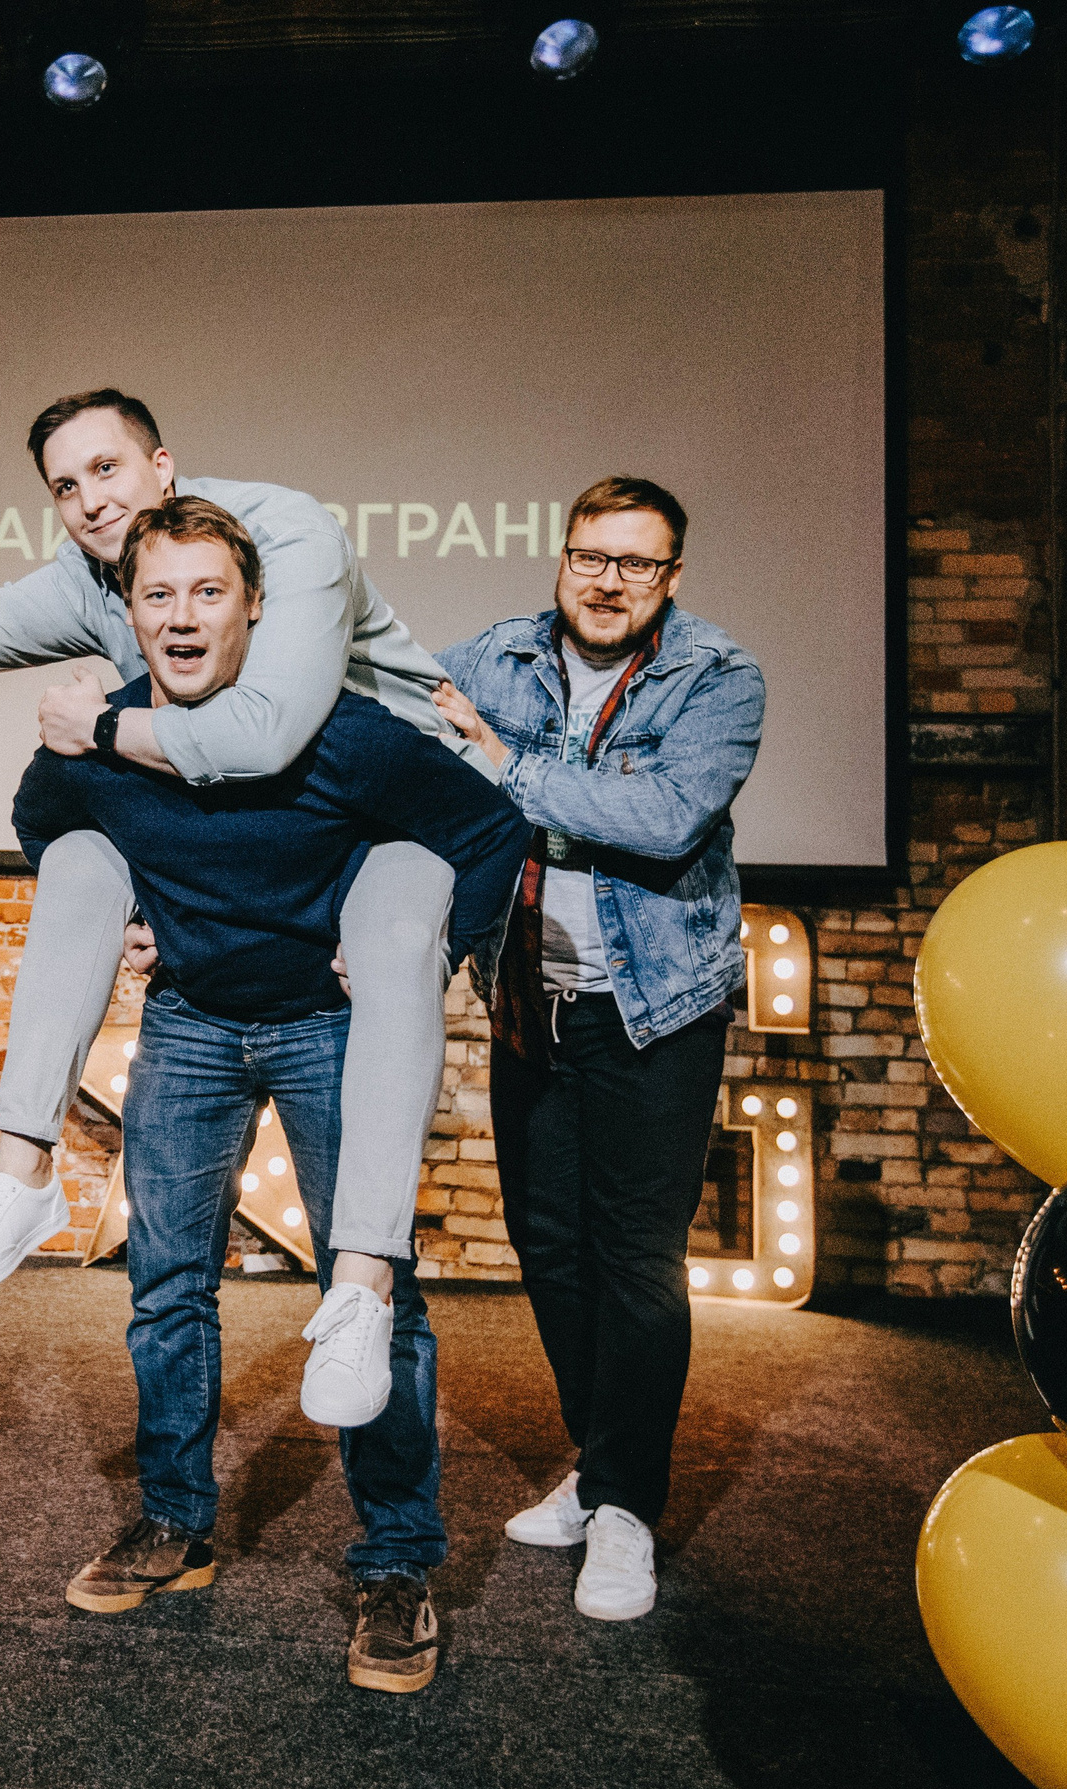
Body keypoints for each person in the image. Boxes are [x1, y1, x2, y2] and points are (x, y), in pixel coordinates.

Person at [0, 389, 465, 1424]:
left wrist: (102, 725)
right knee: (79, 860)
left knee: (374, 1265)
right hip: (232, 911)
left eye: (106, 469)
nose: (88, 500)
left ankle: (368, 1315)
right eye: (64, 486)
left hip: (386, 821)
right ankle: (21, 1169)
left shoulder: (285, 535)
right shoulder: (97, 574)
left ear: (163, 466)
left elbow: (265, 735)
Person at [12, 496, 528, 1693]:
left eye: (209, 591)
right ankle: (174, 1521)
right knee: (165, 1286)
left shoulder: (343, 732)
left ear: (254, 609)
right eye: (158, 594)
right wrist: (122, 914)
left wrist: (429, 951)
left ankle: (396, 1562)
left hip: (328, 1031)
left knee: (373, 1297)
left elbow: (490, 830)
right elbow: (41, 824)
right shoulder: (101, 734)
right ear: (131, 612)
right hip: (188, 1021)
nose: (182, 616)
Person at [430, 476, 765, 1624]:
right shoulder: (495, 658)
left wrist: (504, 769)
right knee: (550, 1245)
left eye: (636, 562)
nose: (608, 580)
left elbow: (665, 819)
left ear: (670, 575)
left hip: (653, 1009)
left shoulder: (717, 676)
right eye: (590, 555)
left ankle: (624, 1506)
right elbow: (382, 710)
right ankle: (599, 1459)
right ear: (561, 555)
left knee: (637, 1260)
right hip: (531, 1002)